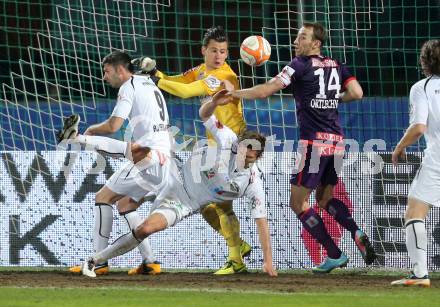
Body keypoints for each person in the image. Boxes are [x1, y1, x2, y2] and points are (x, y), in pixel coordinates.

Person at [226, 22, 376, 273]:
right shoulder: (338, 65)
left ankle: (334, 253)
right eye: (297, 37)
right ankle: (355, 230)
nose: (296, 42)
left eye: (302, 37)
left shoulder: (298, 65)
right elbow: (357, 93)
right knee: (325, 198)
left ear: (316, 43)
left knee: (298, 203)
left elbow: (266, 91)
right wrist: (333, 98)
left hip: (314, 144)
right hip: (337, 142)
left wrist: (234, 94)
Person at [80, 89, 277, 278]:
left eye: (250, 158)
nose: (244, 158)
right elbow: (205, 115)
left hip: (184, 203)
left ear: (257, 158)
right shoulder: (228, 139)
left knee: (146, 229)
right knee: (141, 157)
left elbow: (262, 223)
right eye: (243, 153)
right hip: (172, 173)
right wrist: (214, 103)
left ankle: (95, 260)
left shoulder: (252, 183)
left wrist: (268, 260)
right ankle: (81, 139)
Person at [132, 26, 251, 274]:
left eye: (224, 52)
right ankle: (237, 247)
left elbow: (186, 92)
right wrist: (155, 72)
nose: (219, 56)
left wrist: (155, 80)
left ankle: (236, 258)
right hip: (214, 146)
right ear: (203, 51)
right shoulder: (200, 70)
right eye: (214, 51)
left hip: (233, 145)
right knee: (204, 204)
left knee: (221, 204)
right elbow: (177, 81)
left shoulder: (222, 76)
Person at [61, 50, 174, 275]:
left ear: (121, 70)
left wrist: (91, 131)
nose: (104, 77)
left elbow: (114, 126)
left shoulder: (128, 86)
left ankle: (99, 263)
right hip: (164, 158)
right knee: (125, 204)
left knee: (103, 197)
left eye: (107, 71)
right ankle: (150, 262)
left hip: (147, 157)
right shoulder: (149, 83)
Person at [391, 39, 440, 288]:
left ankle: (420, 275)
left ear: (424, 63)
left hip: (438, 158)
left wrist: (399, 147)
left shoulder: (422, 88)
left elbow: (419, 127)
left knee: (414, 212)